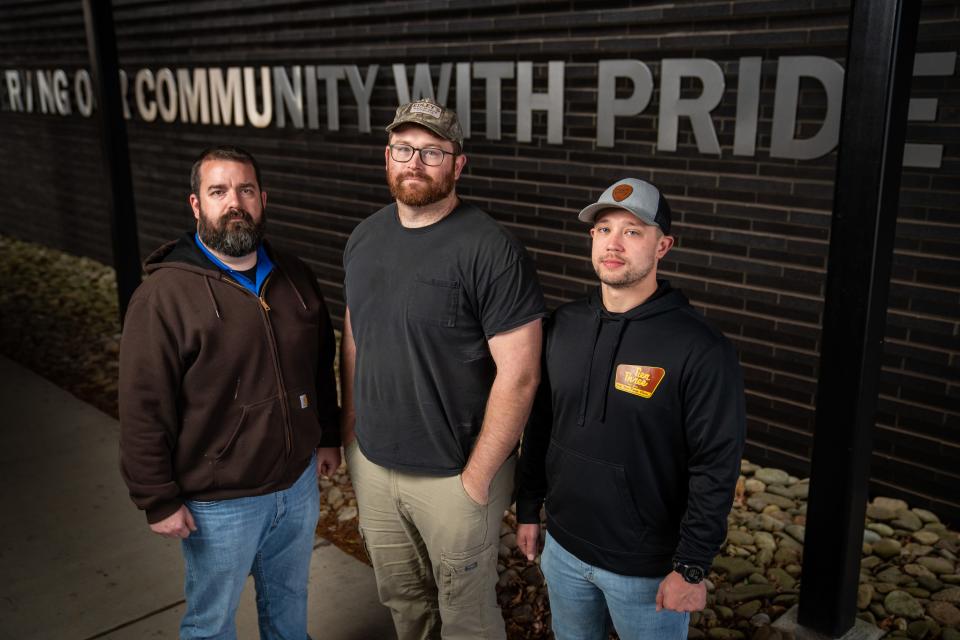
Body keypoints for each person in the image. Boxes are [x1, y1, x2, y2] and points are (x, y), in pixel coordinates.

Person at [340, 98, 546, 639]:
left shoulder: (492, 250)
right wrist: (350, 438)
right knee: (406, 605)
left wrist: (476, 480)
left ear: (458, 165)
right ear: (387, 157)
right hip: (375, 468)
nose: (415, 162)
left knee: (466, 620)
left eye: (432, 151)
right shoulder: (363, 238)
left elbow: (521, 374)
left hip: (454, 477)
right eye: (404, 149)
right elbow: (356, 338)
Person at [119, 145, 341, 639]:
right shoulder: (163, 297)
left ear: (263, 199)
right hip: (220, 500)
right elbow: (142, 406)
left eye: (244, 190)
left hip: (295, 485)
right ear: (197, 205)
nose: (233, 202)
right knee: (211, 623)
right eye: (218, 191)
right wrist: (157, 498)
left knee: (288, 606)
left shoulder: (294, 275)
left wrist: (327, 433)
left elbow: (318, 363)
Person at [515, 178, 746, 640]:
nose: (614, 243)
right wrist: (528, 507)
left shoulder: (699, 348)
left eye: (633, 231)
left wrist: (692, 567)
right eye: (604, 230)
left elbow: (715, 465)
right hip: (563, 549)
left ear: (663, 246)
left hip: (646, 569)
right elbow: (540, 424)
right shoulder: (563, 325)